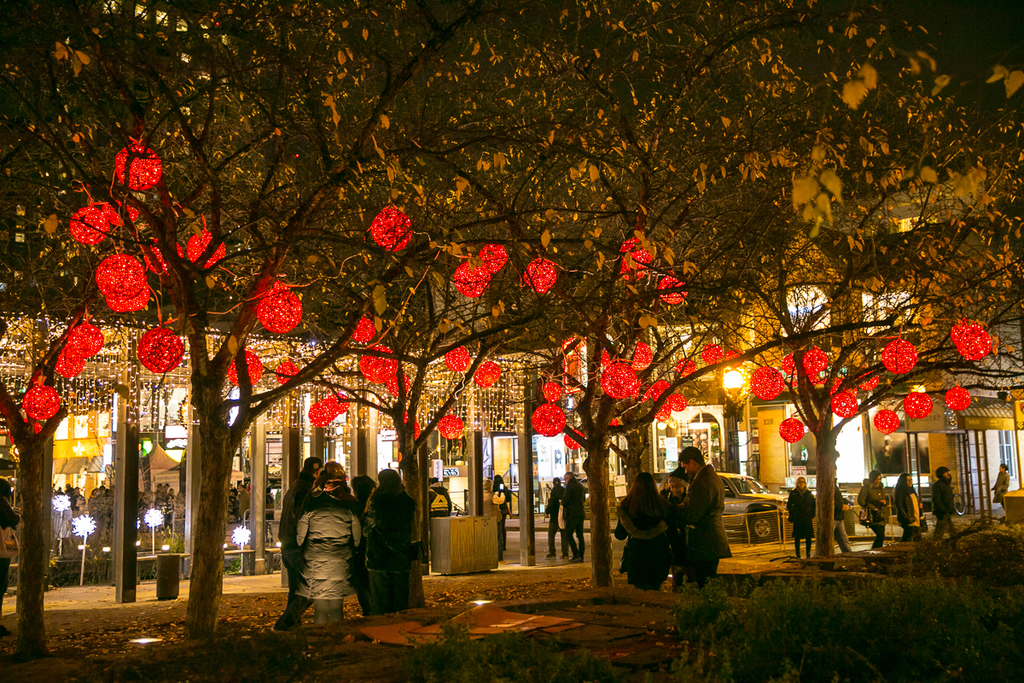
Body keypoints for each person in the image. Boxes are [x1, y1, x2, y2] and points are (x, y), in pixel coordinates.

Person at [295, 463, 361, 624]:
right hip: (341, 557)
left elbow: (301, 533)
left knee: (320, 605)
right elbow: (357, 536)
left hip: (316, 558)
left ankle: (320, 638)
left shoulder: (312, 500)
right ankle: (336, 636)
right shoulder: (349, 502)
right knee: (337, 605)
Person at [272, 456, 322, 631]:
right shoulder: (306, 491)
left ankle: (292, 622)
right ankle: (286, 621)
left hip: (288, 543)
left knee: (296, 587)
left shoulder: (294, 487)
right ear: (317, 472)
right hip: (298, 546)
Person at [677, 447, 731, 586]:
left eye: (685, 467)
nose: (685, 471)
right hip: (713, 538)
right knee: (709, 578)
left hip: (704, 542)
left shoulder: (701, 482)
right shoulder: (713, 477)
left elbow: (692, 515)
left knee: (704, 581)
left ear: (692, 462)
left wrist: (676, 509)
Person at [364, 469, 415, 615]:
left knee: (380, 602)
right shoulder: (408, 501)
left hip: (378, 555)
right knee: (400, 602)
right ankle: (400, 631)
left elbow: (368, 528)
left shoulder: (377, 500)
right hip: (401, 556)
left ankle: (381, 631)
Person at [614, 472, 673, 591]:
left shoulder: (627, 506)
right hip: (658, 553)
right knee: (656, 589)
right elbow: (671, 532)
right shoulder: (662, 506)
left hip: (637, 555)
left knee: (641, 591)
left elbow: (620, 535)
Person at [348, 475, 376, 616]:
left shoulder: (354, 506)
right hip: (374, 550)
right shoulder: (375, 504)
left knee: (361, 584)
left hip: (359, 551)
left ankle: (369, 611)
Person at [661, 467, 689, 587]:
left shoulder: (688, 501)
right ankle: (676, 584)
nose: (674, 490)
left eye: (678, 487)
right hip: (672, 537)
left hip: (686, 538)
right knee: (675, 565)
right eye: (672, 487)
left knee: (686, 565)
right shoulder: (668, 500)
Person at [0, 478, 20, 638]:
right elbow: (10, 519)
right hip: (0, 551)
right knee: (0, 585)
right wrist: (17, 517)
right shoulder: (1, 501)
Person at [859, 470, 890, 549]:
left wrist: (885, 502)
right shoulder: (866, 488)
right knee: (880, 534)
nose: (877, 481)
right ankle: (875, 550)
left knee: (881, 535)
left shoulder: (880, 488)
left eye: (879, 479)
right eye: (876, 479)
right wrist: (872, 507)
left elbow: (884, 498)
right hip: (872, 515)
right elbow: (861, 500)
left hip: (880, 514)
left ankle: (877, 550)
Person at [786, 477, 816, 558]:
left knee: (808, 536)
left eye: (803, 482)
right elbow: (789, 505)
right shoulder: (793, 493)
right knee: (797, 536)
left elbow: (814, 505)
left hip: (807, 517)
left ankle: (808, 552)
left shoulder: (808, 493)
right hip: (798, 517)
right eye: (800, 482)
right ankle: (798, 553)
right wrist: (793, 512)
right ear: (797, 483)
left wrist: (812, 514)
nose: (801, 484)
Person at [561, 471, 586, 563]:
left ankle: (576, 554)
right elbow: (583, 499)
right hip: (580, 513)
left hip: (572, 514)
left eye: (565, 480)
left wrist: (563, 502)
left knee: (568, 534)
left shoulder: (569, 487)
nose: (565, 482)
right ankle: (581, 555)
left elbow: (566, 500)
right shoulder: (580, 486)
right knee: (580, 535)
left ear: (568, 478)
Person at [893, 473, 922, 542]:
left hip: (915, 516)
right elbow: (899, 505)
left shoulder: (912, 490)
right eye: (908, 480)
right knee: (910, 535)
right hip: (908, 517)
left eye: (910, 480)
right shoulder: (901, 492)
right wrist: (905, 516)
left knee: (912, 535)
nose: (910, 482)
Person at [545, 478, 567, 559]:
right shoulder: (564, 490)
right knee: (563, 535)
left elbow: (551, 503)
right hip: (562, 516)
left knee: (551, 535)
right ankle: (565, 552)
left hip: (554, 516)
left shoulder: (553, 491)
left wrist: (547, 511)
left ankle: (552, 552)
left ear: (553, 483)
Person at [932, 466, 956, 537]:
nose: (948, 474)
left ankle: (954, 541)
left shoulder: (946, 484)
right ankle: (935, 543)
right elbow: (937, 499)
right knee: (940, 529)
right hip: (943, 511)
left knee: (950, 528)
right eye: (946, 473)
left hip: (946, 510)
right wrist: (943, 509)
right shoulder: (938, 485)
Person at [832, 482, 853, 553]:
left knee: (843, 539)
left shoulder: (833, 485)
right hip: (835, 516)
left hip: (837, 516)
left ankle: (849, 555)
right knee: (843, 539)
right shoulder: (831, 485)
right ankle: (849, 555)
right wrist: (841, 506)